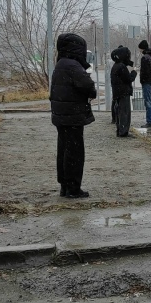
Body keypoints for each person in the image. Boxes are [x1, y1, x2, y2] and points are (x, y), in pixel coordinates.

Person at [50, 33, 97, 199]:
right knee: (74, 152)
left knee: (63, 150)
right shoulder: (73, 65)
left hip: (61, 115)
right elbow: (88, 85)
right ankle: (73, 188)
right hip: (72, 116)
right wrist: (92, 92)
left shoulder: (61, 64)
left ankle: (64, 186)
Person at [110, 45, 137, 137]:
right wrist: (134, 72)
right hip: (123, 92)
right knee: (124, 112)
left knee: (119, 112)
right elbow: (128, 79)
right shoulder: (121, 66)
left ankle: (120, 130)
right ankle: (124, 131)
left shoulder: (116, 65)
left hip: (118, 92)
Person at [138, 39, 151, 128]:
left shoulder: (145, 58)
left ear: (142, 48)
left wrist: (142, 80)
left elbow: (144, 72)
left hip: (147, 82)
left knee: (148, 102)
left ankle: (150, 122)